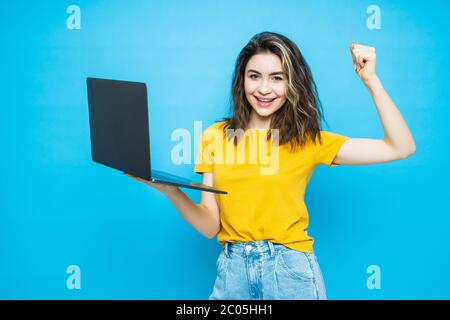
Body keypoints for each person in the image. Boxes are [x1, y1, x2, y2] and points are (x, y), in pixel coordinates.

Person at [126, 31, 416, 300]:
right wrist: (170, 190)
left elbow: (400, 147)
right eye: (254, 76)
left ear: (293, 83)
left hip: (290, 271)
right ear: (242, 80)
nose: (264, 89)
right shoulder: (215, 137)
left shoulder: (309, 141)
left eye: (277, 78)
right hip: (232, 272)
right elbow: (208, 225)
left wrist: (371, 81)